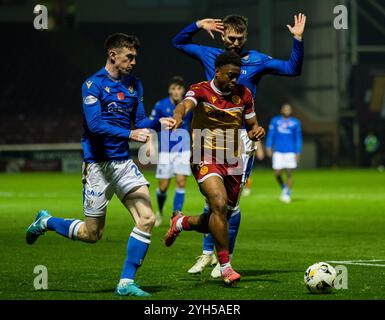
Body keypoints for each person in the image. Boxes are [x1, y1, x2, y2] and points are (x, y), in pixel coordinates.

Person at [172, 13, 306, 276]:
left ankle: (223, 256)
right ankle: (208, 254)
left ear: (245, 37)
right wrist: (198, 26)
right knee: (214, 199)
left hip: (241, 137)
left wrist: (298, 40)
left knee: (228, 204)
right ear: (223, 36)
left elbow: (292, 68)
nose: (234, 42)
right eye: (230, 38)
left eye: (239, 38)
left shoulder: (256, 60)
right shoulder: (209, 55)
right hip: (209, 137)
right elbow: (177, 42)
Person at [25, 33, 158, 297]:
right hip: (97, 166)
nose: (133, 62)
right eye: (129, 57)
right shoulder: (92, 85)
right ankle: (47, 222)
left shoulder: (135, 85)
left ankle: (125, 283)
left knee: (147, 218)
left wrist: (160, 125)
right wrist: (131, 134)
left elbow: (141, 120)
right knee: (91, 234)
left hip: (122, 163)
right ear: (113, 55)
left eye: (135, 57)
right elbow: (95, 126)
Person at [163, 51, 265, 285]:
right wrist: (177, 118)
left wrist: (256, 132)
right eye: (230, 75)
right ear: (217, 72)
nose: (234, 80)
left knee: (218, 216)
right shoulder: (200, 89)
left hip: (232, 157)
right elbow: (184, 105)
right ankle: (226, 267)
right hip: (204, 155)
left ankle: (181, 222)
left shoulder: (244, 94)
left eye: (237, 76)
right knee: (218, 203)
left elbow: (252, 126)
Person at [148, 76, 193, 227]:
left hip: (183, 150)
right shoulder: (160, 106)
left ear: (183, 90)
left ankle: (175, 217)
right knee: (163, 187)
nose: (176, 91)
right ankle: (159, 211)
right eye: (173, 88)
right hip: (165, 150)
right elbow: (151, 125)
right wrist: (151, 144)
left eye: (179, 88)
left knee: (181, 183)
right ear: (169, 90)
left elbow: (194, 125)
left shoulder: (188, 107)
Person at [266, 103, 302, 203]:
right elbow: (270, 135)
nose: (287, 110)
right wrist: (269, 147)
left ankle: (287, 194)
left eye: (288, 109)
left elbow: (298, 139)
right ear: (282, 110)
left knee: (289, 173)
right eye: (285, 109)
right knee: (277, 173)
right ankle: (284, 187)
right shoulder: (275, 121)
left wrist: (298, 152)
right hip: (278, 151)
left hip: (290, 151)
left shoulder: (295, 123)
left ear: (291, 111)